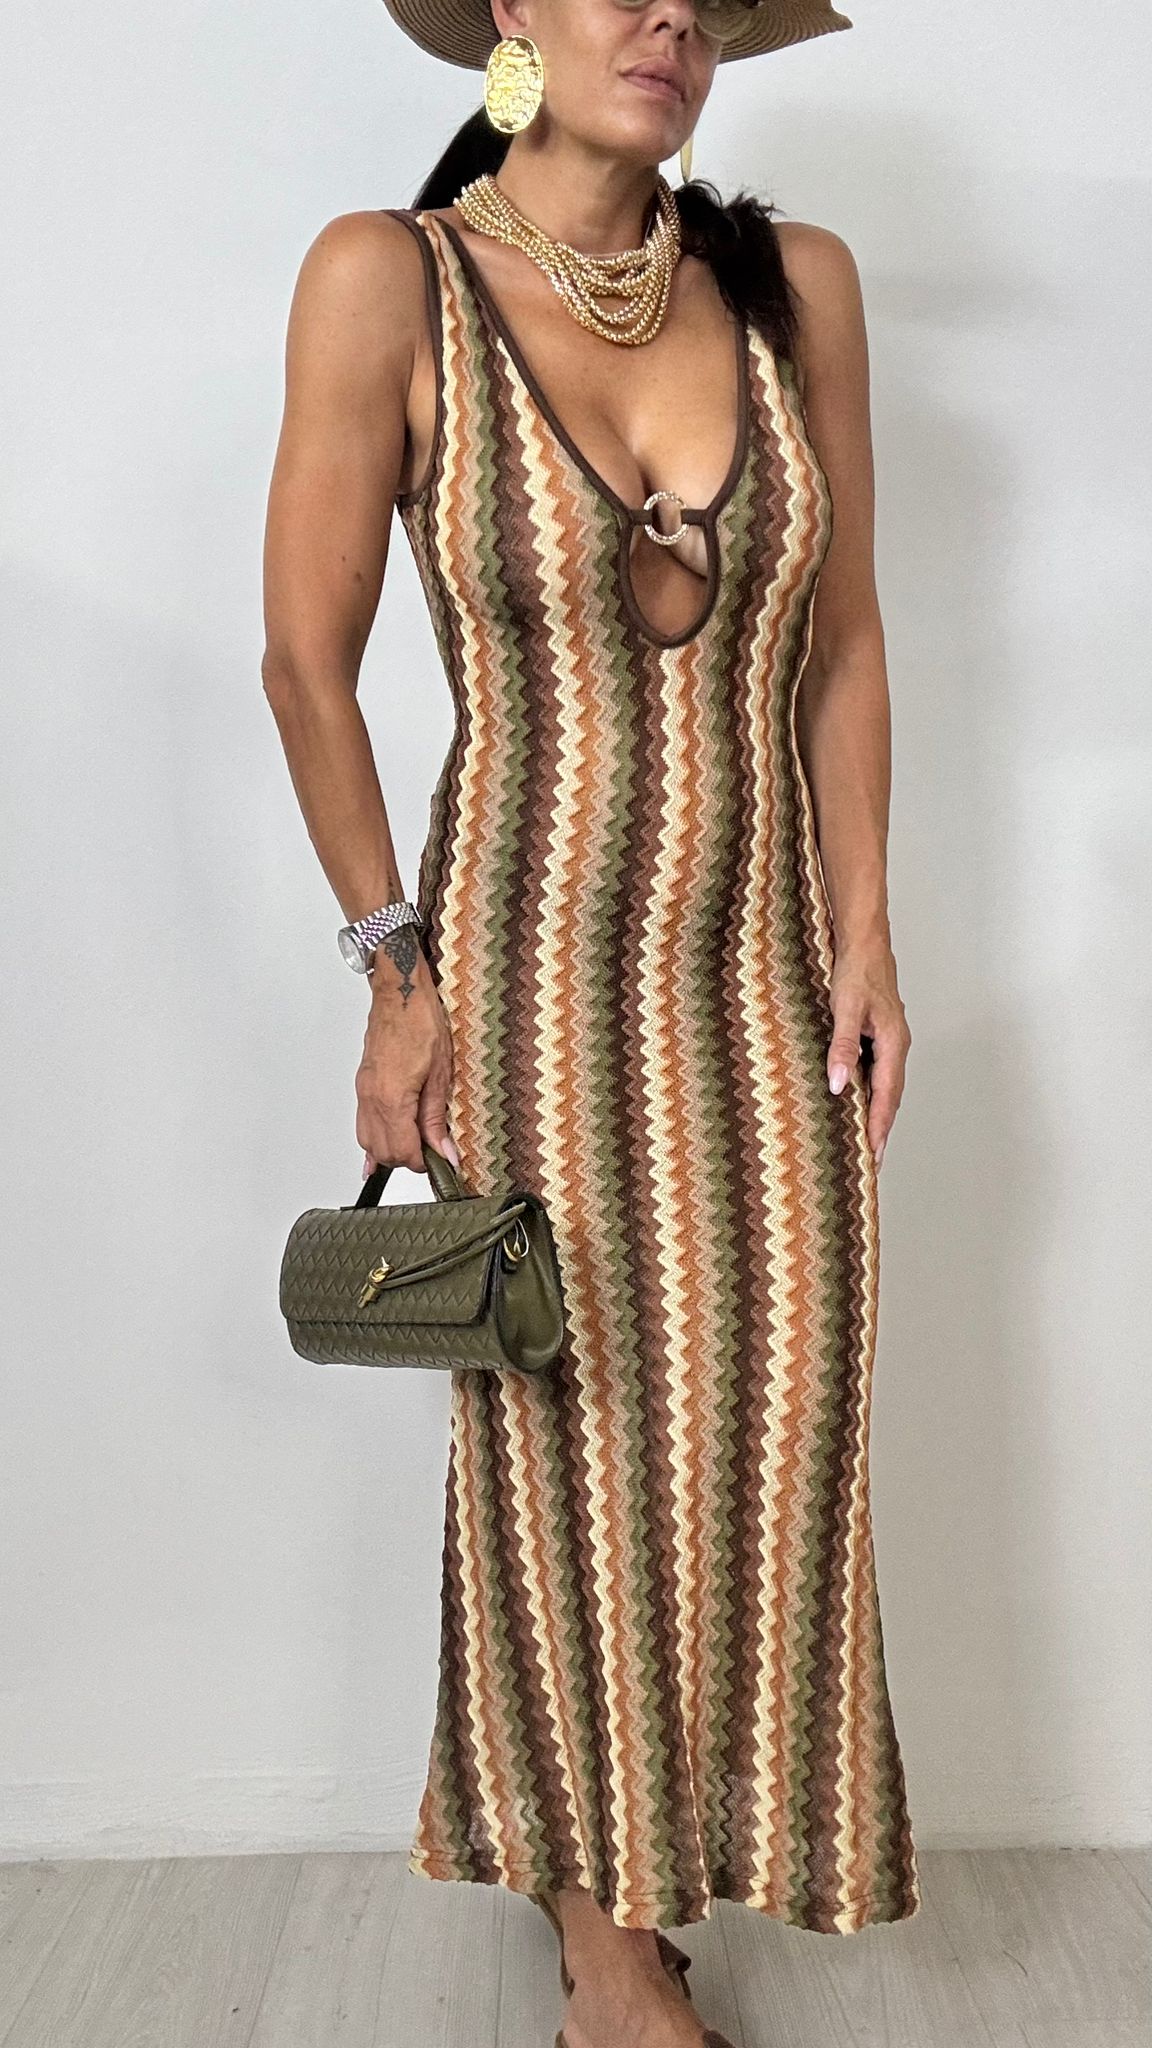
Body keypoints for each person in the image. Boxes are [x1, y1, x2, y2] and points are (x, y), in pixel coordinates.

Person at [261, 0, 920, 2040]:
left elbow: (843, 640)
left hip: (762, 969)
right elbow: (303, 655)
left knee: (782, 1430)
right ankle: (607, 1959)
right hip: (521, 976)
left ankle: (686, 1854)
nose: (670, 16)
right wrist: (394, 972)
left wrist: (869, 926)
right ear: (509, 21)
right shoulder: (392, 279)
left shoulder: (796, 286)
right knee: (568, 1454)